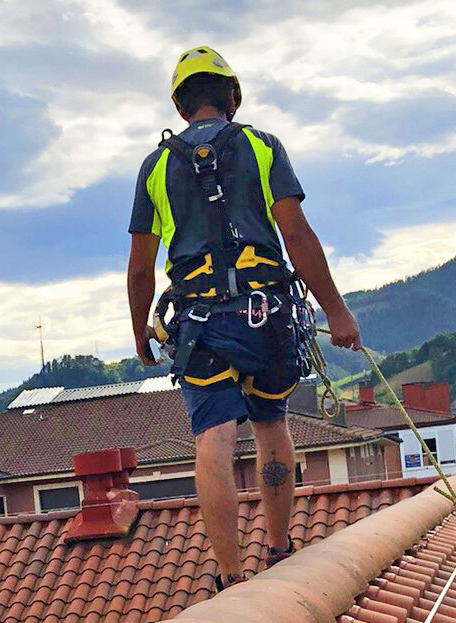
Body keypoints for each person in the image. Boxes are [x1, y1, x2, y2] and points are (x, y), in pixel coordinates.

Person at [127, 45, 361, 591]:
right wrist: (338, 311)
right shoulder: (261, 146)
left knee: (213, 434)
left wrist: (139, 329)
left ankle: (230, 576)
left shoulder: (156, 166)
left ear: (181, 108)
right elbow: (295, 233)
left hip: (199, 324)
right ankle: (280, 550)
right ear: (232, 97)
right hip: (266, 315)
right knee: (271, 422)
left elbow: (140, 268)